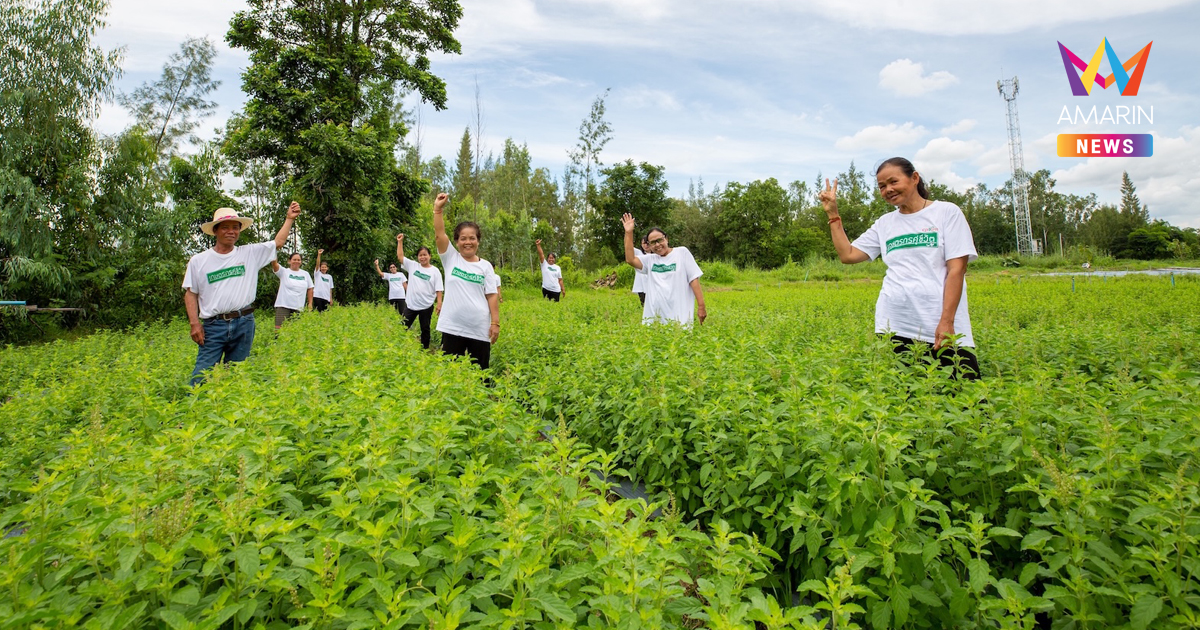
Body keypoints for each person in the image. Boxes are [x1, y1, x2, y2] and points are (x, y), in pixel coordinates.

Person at [819, 156, 981, 380]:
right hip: (896, 324)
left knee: (966, 395)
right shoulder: (885, 223)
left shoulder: (946, 213)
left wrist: (946, 321)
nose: (888, 190)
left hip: (940, 324)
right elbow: (848, 255)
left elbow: (956, 270)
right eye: (882, 186)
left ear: (914, 178)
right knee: (906, 400)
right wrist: (832, 214)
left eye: (893, 182)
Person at [182, 203, 301, 385]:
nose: (231, 232)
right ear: (215, 231)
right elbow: (191, 294)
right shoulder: (199, 261)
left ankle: (226, 409)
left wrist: (289, 219)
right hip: (213, 326)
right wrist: (194, 324)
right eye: (226, 227)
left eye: (235, 228)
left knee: (236, 376)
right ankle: (194, 409)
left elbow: (278, 243)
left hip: (244, 323)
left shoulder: (249, 254)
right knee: (201, 377)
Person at [433, 192, 500, 369]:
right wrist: (437, 210)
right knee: (449, 376)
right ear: (457, 241)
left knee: (481, 377)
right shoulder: (450, 259)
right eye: (463, 238)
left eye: (472, 238)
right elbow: (440, 235)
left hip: (479, 329)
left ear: (478, 241)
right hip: (452, 328)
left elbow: (492, 296)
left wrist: (495, 323)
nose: (467, 242)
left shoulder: (485, 267)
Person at [621, 214, 707, 327]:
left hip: (679, 316)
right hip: (654, 318)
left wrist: (701, 306)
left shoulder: (682, 253)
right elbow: (630, 259)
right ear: (649, 246)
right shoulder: (650, 260)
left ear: (666, 239)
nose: (657, 245)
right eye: (652, 242)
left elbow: (693, 279)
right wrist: (628, 232)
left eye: (660, 240)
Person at [396, 233, 444, 349]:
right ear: (418, 257)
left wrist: (439, 303)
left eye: (425, 255)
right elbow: (400, 257)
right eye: (420, 255)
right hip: (411, 305)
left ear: (430, 256)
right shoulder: (413, 266)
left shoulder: (435, 271)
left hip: (426, 306)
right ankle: (398, 347)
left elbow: (439, 289)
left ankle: (425, 350)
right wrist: (400, 242)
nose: (422, 257)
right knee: (403, 327)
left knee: (425, 329)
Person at [269, 252, 314, 329]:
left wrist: (310, 303)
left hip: (298, 307)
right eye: (294, 259)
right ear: (289, 261)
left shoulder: (305, 274)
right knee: (279, 330)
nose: (296, 261)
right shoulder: (284, 272)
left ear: (301, 262)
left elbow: (310, 288)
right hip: (283, 305)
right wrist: (274, 250)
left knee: (295, 331)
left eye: (298, 260)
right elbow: (275, 264)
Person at [631, 236, 650, 306]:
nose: (646, 245)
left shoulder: (655, 255)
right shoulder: (639, 253)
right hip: (640, 282)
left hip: (650, 281)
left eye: (647, 243)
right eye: (643, 243)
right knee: (643, 301)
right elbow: (629, 248)